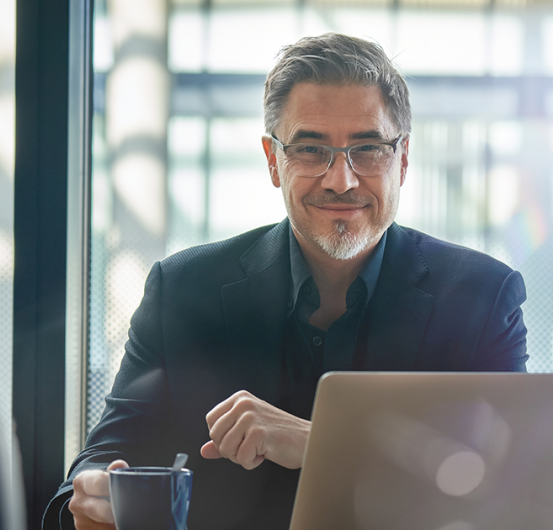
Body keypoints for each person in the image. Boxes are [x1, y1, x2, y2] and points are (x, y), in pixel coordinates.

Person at [44, 33, 528, 530]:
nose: (341, 179)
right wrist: (95, 490)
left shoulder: (482, 298)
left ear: (402, 159)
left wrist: (319, 445)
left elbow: (514, 494)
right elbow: (105, 455)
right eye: (311, 149)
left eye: (367, 148)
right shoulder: (182, 290)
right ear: (274, 160)